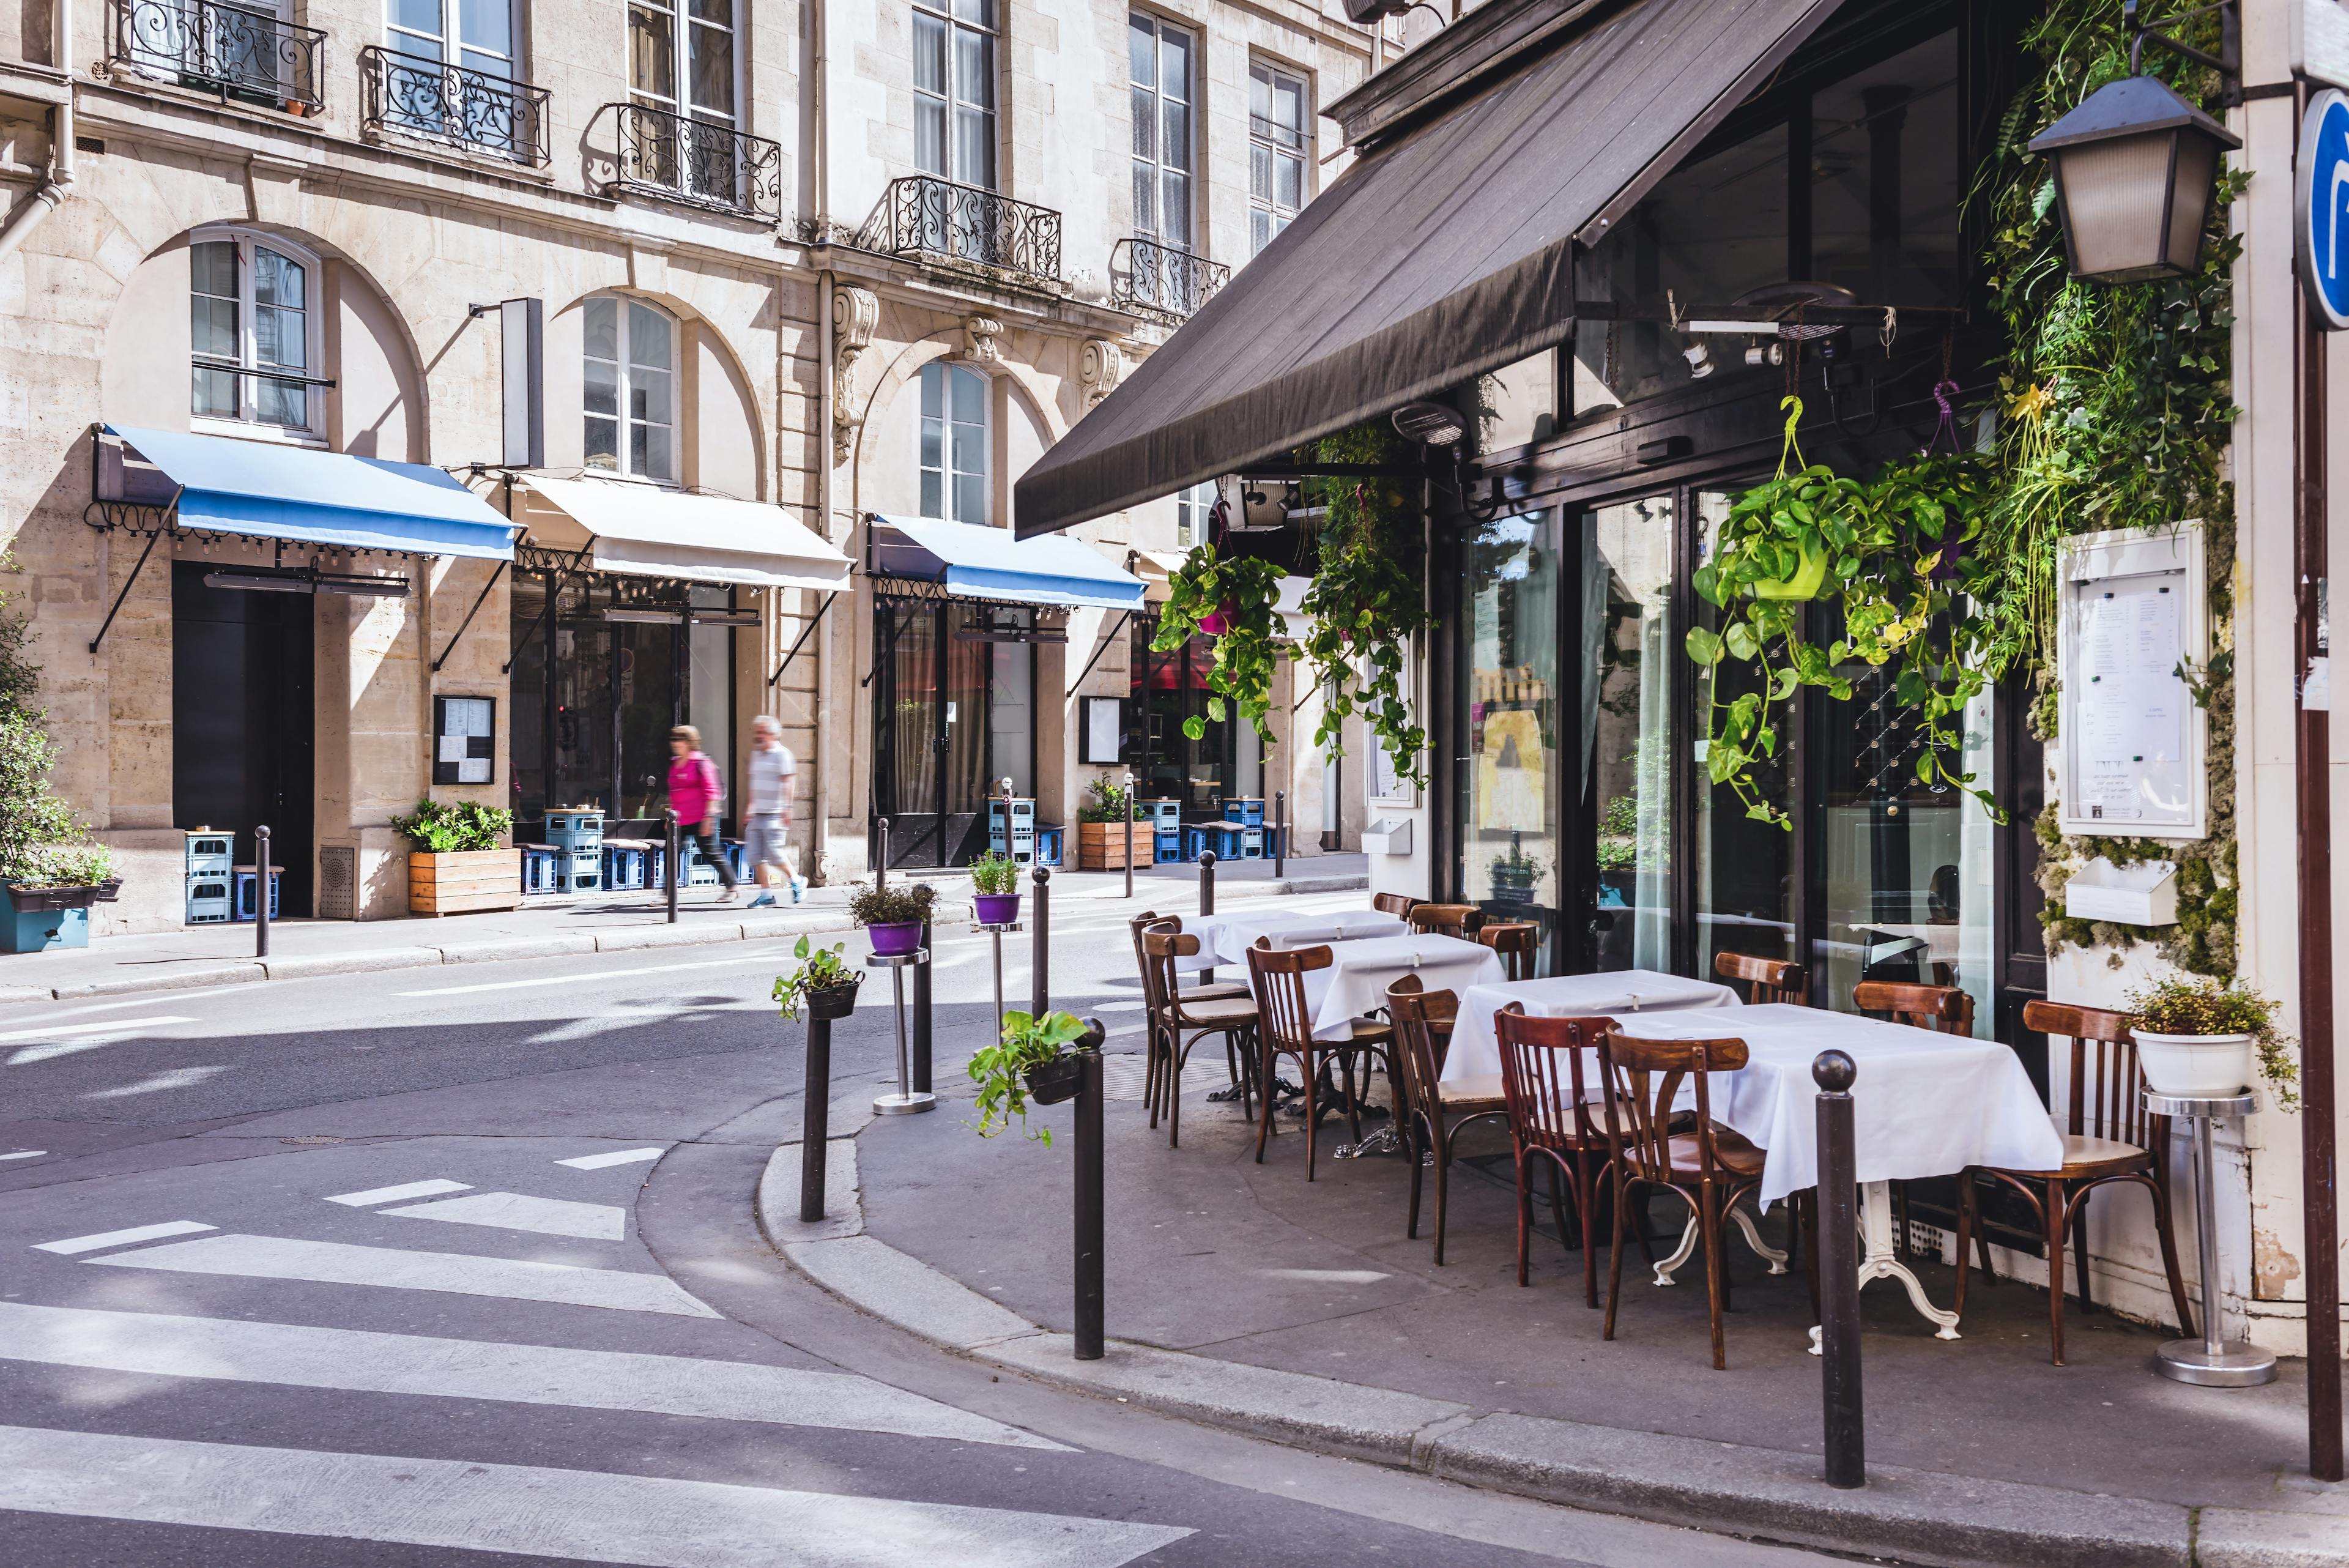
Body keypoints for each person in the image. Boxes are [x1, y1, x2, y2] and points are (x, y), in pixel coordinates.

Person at [666, 725, 739, 904]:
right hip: (681, 818)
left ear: (689, 742)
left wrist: (709, 819)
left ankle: (732, 887)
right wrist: (670, 817)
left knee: (711, 852)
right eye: (673, 739)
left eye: (679, 740)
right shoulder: (676, 763)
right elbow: (674, 791)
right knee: (672, 853)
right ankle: (667, 895)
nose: (674, 743)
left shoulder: (701, 763)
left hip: (702, 817)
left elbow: (712, 791)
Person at [743, 715, 803, 908]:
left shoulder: (783, 754)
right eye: (758, 732)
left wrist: (787, 808)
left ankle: (796, 880)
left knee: (775, 854)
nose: (759, 736)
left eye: (763, 732)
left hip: (775, 813)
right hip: (757, 814)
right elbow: (754, 784)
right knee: (756, 856)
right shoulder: (756, 754)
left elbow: (788, 782)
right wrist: (750, 808)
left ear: (773, 734)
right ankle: (766, 894)